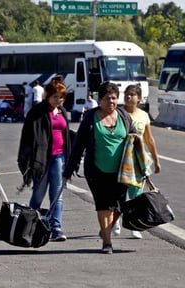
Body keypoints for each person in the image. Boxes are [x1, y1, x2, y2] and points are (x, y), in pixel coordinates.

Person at [63, 82, 137, 254]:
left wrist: (142, 165)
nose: (111, 101)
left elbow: (135, 140)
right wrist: (68, 172)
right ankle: (107, 242)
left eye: (114, 98)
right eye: (107, 98)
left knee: (118, 207)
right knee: (103, 206)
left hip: (121, 172)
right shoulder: (90, 118)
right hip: (96, 171)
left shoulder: (124, 116)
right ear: (99, 100)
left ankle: (106, 229)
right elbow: (78, 146)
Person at [17, 79, 71, 242]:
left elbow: (66, 134)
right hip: (41, 159)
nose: (58, 100)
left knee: (57, 195)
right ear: (47, 95)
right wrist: (26, 160)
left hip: (59, 157)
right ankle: (30, 224)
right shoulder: (37, 112)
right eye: (55, 97)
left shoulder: (62, 111)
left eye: (61, 97)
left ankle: (56, 227)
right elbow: (27, 137)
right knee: (38, 194)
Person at [114, 84, 162, 239]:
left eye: (132, 95)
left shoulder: (143, 115)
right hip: (122, 159)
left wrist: (156, 160)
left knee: (136, 193)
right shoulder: (118, 113)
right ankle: (115, 220)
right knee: (120, 192)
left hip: (139, 160)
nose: (129, 97)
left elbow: (149, 139)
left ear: (139, 98)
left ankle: (134, 226)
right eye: (127, 94)